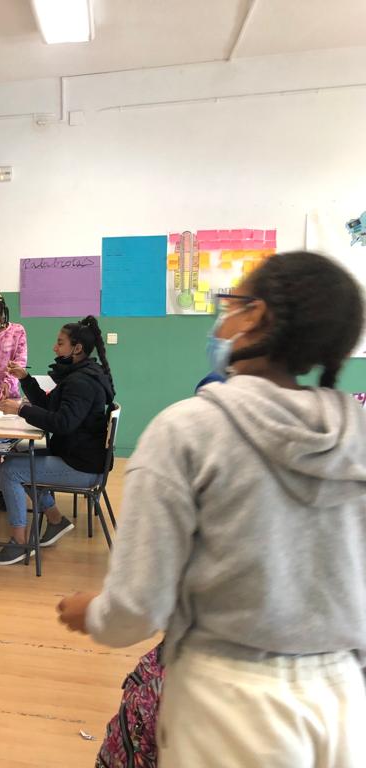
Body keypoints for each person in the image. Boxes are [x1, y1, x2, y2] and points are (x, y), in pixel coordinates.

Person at [58, 252, 366, 768]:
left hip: (233, 706)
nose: (221, 320)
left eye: (230, 304)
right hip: (344, 702)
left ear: (254, 316)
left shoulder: (187, 430)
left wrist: (93, 612)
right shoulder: (355, 432)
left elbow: (139, 608)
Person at [0, 316, 114, 565]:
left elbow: (62, 423)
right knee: (18, 456)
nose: (54, 348)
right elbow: (50, 406)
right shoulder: (81, 374)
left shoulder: (81, 382)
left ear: (77, 348)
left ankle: (20, 543)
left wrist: (21, 409)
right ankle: (56, 520)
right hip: (80, 457)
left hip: (83, 467)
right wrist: (25, 378)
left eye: (60, 343)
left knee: (9, 471)